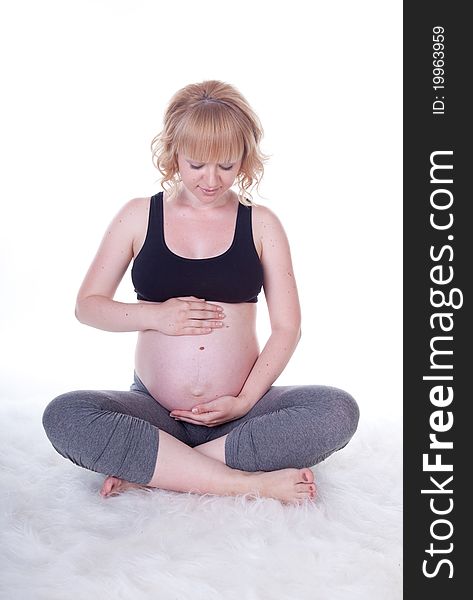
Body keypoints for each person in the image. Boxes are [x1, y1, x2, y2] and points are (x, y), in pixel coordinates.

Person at [42, 80, 359, 505]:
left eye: (226, 166)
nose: (211, 180)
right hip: (157, 412)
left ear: (244, 161)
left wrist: (244, 401)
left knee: (337, 409)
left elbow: (287, 327)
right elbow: (88, 307)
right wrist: (156, 316)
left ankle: (165, 470)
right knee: (65, 414)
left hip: (240, 414)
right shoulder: (138, 216)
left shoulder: (261, 223)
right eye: (196, 165)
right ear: (173, 154)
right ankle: (247, 482)